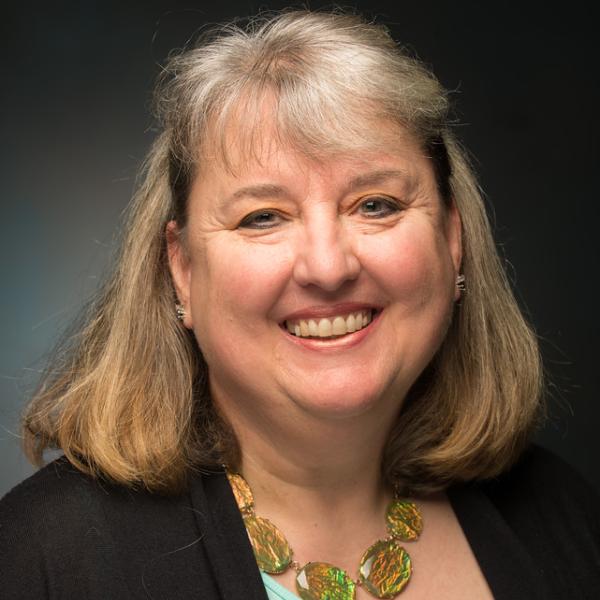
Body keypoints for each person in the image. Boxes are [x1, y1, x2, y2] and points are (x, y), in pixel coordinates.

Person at [1, 9, 599, 600]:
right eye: (262, 217)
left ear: (451, 240)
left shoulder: (563, 518)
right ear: (182, 271)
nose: (328, 266)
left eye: (376, 204)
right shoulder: (45, 558)